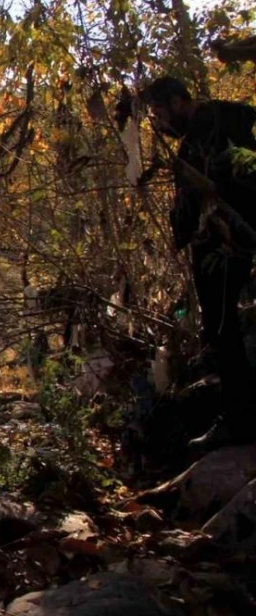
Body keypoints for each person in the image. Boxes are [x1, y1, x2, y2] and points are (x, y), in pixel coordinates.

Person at [142, 75, 256, 452]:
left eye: (158, 112)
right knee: (221, 331)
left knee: (225, 329)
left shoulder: (229, 122)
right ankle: (237, 417)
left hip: (233, 247)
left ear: (177, 102)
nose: (157, 123)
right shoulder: (193, 145)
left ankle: (239, 420)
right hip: (217, 251)